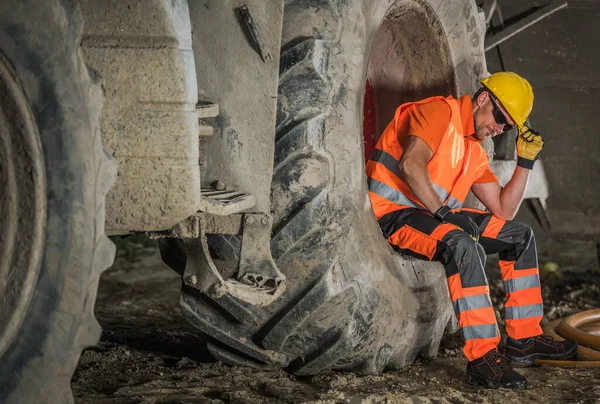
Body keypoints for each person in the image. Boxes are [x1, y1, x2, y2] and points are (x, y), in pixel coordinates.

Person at [366, 72, 578, 389]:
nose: (499, 128)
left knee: (519, 236)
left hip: (433, 215)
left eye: (507, 126)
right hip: (395, 213)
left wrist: (526, 162)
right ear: (482, 98)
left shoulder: (474, 149)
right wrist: (446, 213)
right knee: (463, 245)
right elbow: (412, 163)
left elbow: (504, 209)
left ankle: (525, 339)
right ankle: (482, 359)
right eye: (499, 117)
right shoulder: (439, 112)